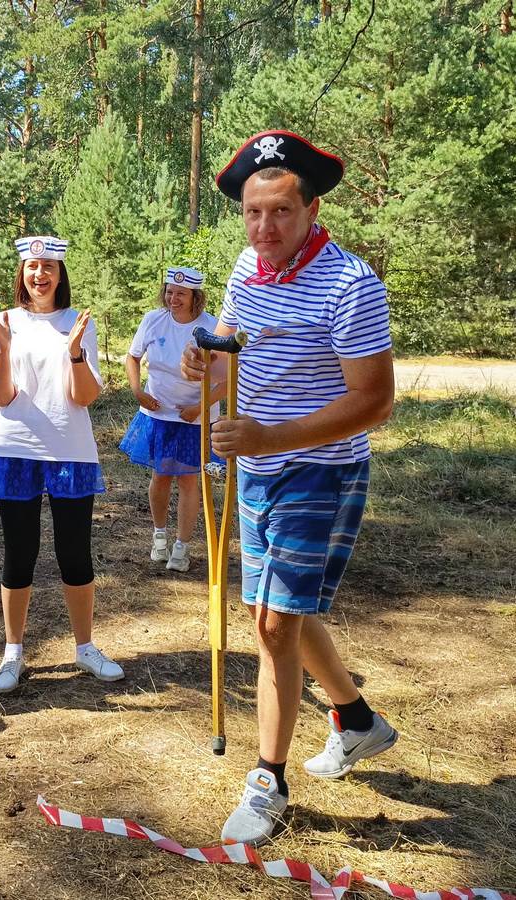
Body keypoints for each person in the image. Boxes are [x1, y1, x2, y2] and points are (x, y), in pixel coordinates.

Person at [181, 130, 397, 845]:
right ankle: (356, 720)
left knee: (273, 624)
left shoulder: (350, 284)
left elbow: (373, 401)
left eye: (279, 211)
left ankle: (267, 781)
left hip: (320, 469)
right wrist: (204, 363)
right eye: (252, 212)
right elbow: (229, 347)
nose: (264, 228)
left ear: (310, 209)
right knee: (275, 612)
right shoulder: (247, 266)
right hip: (258, 467)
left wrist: (269, 437)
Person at [0, 236, 124, 695]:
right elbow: (1, 396)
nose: (39, 274)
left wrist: (76, 351)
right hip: (15, 449)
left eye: (48, 267)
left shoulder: (79, 322)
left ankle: (85, 647)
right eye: (32, 266)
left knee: (74, 552)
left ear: (60, 274)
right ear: (22, 273)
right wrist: (3, 348)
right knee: (19, 552)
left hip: (70, 451)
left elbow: (83, 397)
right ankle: (13, 651)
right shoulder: (6, 321)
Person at [119, 266, 224, 572]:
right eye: (169, 292)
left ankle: (182, 547)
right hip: (158, 413)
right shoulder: (153, 320)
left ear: (196, 297)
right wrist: (138, 391)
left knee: (189, 480)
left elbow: (228, 380)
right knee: (160, 475)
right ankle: (159, 537)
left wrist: (200, 408)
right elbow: (132, 357)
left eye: (181, 294)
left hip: (194, 417)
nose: (173, 298)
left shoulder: (212, 328)